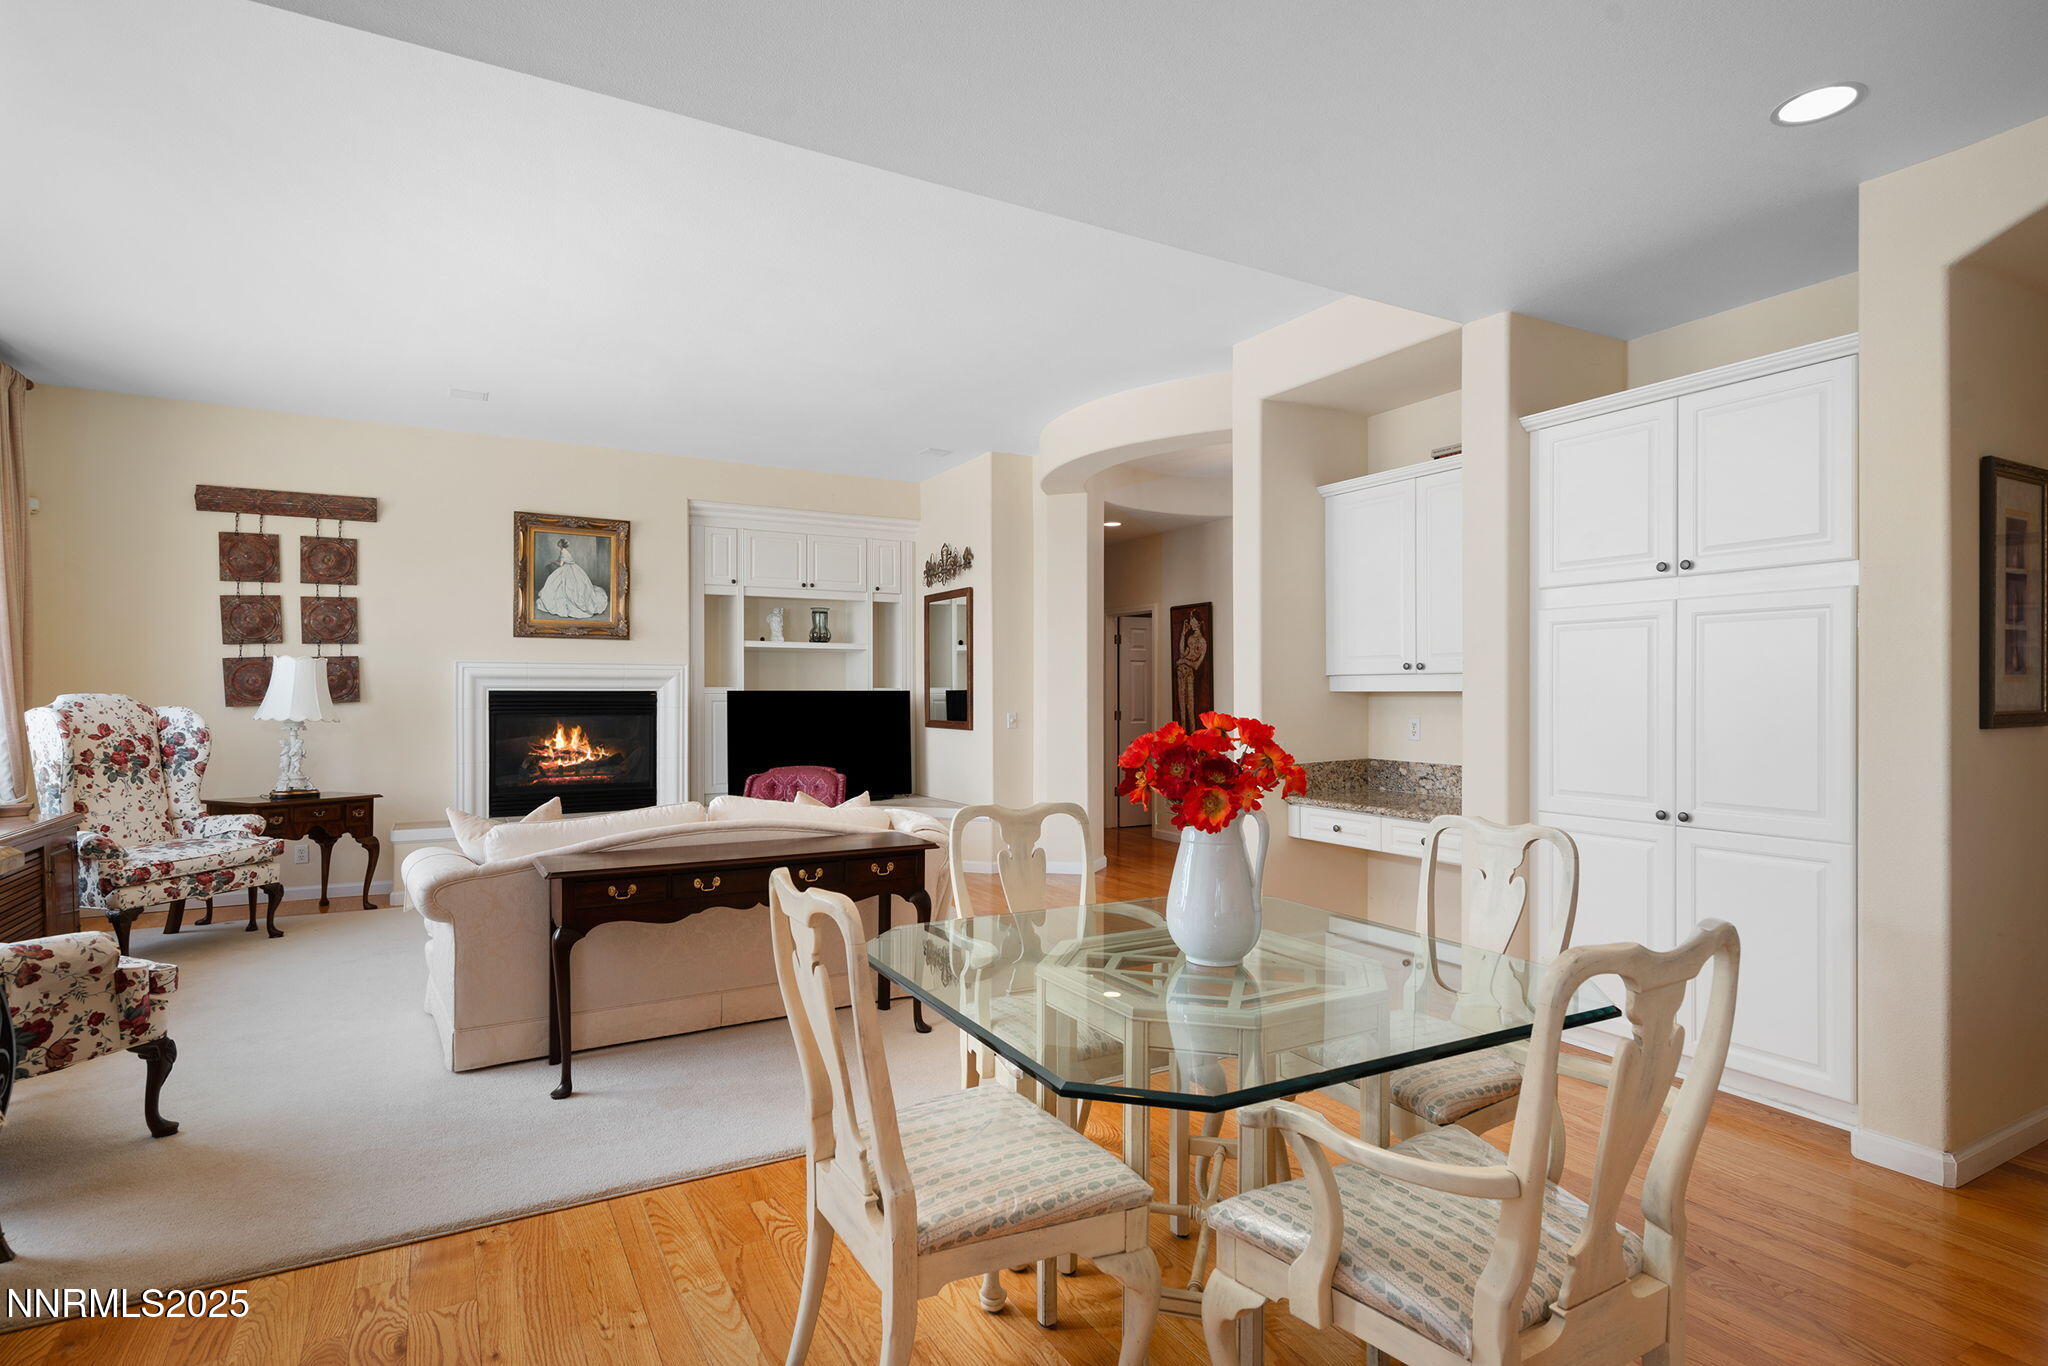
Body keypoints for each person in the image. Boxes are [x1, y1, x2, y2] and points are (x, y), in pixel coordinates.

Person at [536, 537, 608, 619]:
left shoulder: (563, 551)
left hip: (568, 569)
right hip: (572, 568)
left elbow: (560, 564)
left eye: (559, 543)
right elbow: (560, 560)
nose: (558, 544)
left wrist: (552, 562)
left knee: (564, 585)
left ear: (561, 544)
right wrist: (554, 561)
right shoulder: (565, 551)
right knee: (560, 583)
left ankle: (566, 604)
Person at [1175, 611, 1209, 731]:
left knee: (1190, 706)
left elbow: (1196, 665)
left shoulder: (1202, 642)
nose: (1191, 623)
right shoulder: (1190, 638)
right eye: (1191, 620)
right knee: (1182, 706)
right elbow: (1183, 653)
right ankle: (1183, 733)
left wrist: (1183, 662)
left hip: (1189, 673)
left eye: (1193, 620)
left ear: (1199, 623)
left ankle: (1194, 733)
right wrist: (1183, 635)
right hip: (1181, 673)